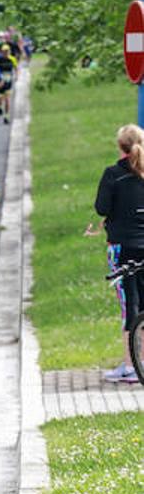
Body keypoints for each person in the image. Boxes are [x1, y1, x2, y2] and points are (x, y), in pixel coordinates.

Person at [95, 125, 144, 383]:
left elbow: (102, 207)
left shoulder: (113, 174)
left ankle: (130, 364)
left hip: (122, 246)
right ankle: (142, 361)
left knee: (130, 304)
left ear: (120, 147)